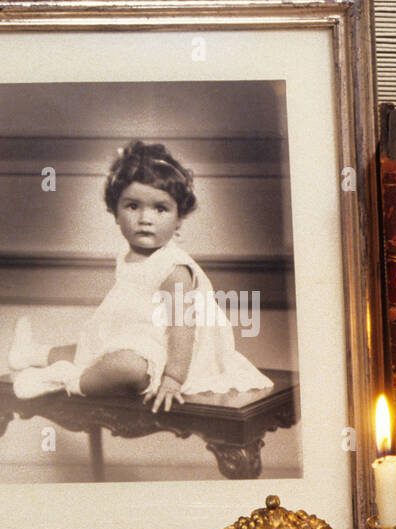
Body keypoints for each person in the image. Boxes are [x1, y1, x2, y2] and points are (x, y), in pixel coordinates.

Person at [6, 141, 271, 412]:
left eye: (160, 209)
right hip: (137, 336)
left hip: (171, 355)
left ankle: (68, 382)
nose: (146, 218)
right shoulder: (128, 255)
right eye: (133, 206)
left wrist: (172, 379)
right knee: (91, 348)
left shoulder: (174, 269)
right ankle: (34, 353)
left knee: (125, 367)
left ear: (179, 218)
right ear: (115, 213)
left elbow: (182, 332)